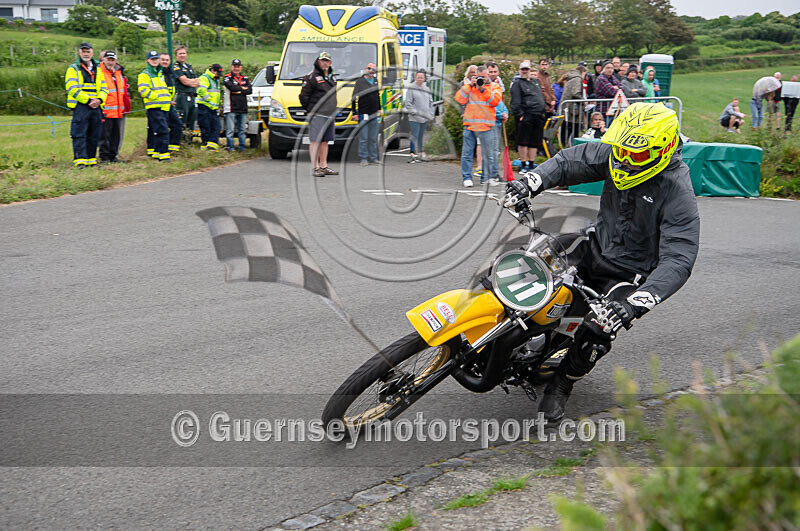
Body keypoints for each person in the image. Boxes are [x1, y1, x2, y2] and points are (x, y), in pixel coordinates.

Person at [503, 102, 699, 422]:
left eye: (633, 155)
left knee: (599, 329)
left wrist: (635, 304)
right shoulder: (620, 154)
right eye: (619, 150)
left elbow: (680, 258)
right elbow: (569, 161)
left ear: (662, 151)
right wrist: (530, 183)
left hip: (629, 274)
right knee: (528, 260)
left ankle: (561, 384)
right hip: (595, 244)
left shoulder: (677, 191)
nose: (623, 160)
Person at [454, 64, 502, 188]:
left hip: (486, 126)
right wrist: (470, 85)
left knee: (489, 154)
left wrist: (482, 89)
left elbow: (495, 101)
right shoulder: (470, 87)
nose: (482, 80)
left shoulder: (494, 86)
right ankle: (467, 178)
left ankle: (486, 178)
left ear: (488, 75)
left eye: (484, 77)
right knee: (467, 153)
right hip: (470, 125)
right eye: (479, 77)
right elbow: (459, 99)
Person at [64, 42, 107, 168]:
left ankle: (91, 160)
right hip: (81, 105)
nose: (86, 53)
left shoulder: (98, 68)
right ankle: (80, 161)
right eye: (83, 51)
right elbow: (71, 88)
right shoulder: (73, 68)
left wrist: (99, 100)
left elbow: (104, 87)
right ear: (79, 53)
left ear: (92, 53)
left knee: (94, 134)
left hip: (96, 106)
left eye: (88, 51)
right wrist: (88, 100)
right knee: (79, 133)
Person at [299, 51, 338, 177]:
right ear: (318, 62)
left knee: (325, 141)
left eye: (327, 61)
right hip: (317, 114)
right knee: (315, 140)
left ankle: (324, 166)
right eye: (322, 60)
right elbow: (303, 96)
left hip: (329, 113)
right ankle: (315, 167)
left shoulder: (332, 77)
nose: (325, 63)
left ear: (330, 62)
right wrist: (311, 109)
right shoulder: (312, 77)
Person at [510, 60, 546, 173]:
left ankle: (531, 163)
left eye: (527, 69)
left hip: (538, 115)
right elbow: (515, 101)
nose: (525, 71)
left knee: (534, 141)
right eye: (523, 69)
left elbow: (540, 96)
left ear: (530, 70)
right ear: (520, 71)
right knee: (523, 141)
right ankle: (523, 163)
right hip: (526, 115)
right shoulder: (517, 83)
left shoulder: (535, 82)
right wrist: (520, 115)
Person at [138, 50, 172, 162]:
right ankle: (164, 155)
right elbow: (143, 91)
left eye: (156, 59)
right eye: (152, 59)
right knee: (163, 131)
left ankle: (157, 153)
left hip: (163, 107)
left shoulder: (159, 73)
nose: (154, 61)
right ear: (148, 60)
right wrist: (157, 97)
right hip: (154, 107)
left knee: (158, 131)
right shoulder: (145, 74)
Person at [97, 50, 125, 163]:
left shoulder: (118, 73)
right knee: (104, 136)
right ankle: (104, 157)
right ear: (103, 60)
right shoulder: (100, 72)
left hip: (117, 110)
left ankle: (113, 156)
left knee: (115, 136)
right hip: (106, 110)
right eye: (108, 60)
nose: (110, 62)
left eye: (112, 60)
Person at [352, 62, 381, 166]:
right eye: (369, 68)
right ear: (365, 69)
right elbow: (354, 97)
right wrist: (354, 113)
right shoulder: (360, 82)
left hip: (374, 113)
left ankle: (373, 158)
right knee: (363, 137)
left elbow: (377, 95)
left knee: (373, 137)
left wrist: (379, 109)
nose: (371, 71)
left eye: (373, 69)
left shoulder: (375, 81)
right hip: (363, 113)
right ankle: (363, 158)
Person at [222, 58, 252, 152]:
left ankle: (242, 147)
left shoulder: (245, 78)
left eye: (238, 67)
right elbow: (231, 87)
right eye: (234, 67)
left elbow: (250, 90)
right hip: (231, 108)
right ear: (231, 67)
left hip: (242, 108)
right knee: (230, 131)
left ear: (241, 68)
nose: (236, 68)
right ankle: (231, 147)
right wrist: (242, 89)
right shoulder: (227, 77)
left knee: (242, 130)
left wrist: (239, 90)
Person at [404, 70, 434, 164]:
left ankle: (420, 154)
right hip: (414, 118)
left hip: (425, 118)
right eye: (418, 77)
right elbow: (408, 103)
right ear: (415, 78)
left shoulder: (427, 89)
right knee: (414, 136)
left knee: (421, 137)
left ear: (424, 79)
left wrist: (430, 114)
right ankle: (412, 155)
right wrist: (415, 113)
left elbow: (430, 102)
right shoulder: (411, 88)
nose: (420, 79)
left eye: (422, 77)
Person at [160, 53, 184, 155]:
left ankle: (173, 149)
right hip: (159, 105)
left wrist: (172, 100)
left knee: (178, 125)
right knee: (160, 129)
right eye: (163, 60)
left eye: (167, 60)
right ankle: (158, 150)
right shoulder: (157, 73)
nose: (165, 62)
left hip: (169, 105)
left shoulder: (170, 73)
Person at [172, 45, 199, 134]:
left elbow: (197, 82)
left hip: (192, 97)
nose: (182, 55)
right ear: (176, 55)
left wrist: (190, 81)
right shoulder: (176, 67)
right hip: (182, 97)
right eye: (180, 54)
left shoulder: (189, 67)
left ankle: (189, 140)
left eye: (184, 53)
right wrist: (191, 82)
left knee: (191, 120)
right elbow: (184, 81)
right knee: (182, 120)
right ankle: (182, 141)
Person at [197, 63, 223, 151]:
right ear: (212, 71)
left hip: (213, 108)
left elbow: (217, 93)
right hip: (204, 107)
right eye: (217, 73)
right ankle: (206, 146)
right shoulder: (205, 78)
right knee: (205, 128)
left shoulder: (216, 80)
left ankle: (211, 146)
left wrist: (218, 104)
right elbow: (201, 90)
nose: (218, 75)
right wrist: (209, 100)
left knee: (216, 127)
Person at [594, 60, 623, 127]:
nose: (610, 70)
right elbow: (611, 92)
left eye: (611, 68)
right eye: (608, 68)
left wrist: (616, 88)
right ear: (603, 69)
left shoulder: (612, 78)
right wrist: (616, 88)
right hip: (603, 109)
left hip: (612, 109)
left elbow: (622, 88)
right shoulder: (601, 79)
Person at [562, 63, 586, 142]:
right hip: (572, 110)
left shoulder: (571, 78)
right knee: (572, 130)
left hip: (568, 108)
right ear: (583, 72)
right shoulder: (577, 79)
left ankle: (564, 144)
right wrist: (583, 100)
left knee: (567, 129)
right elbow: (575, 93)